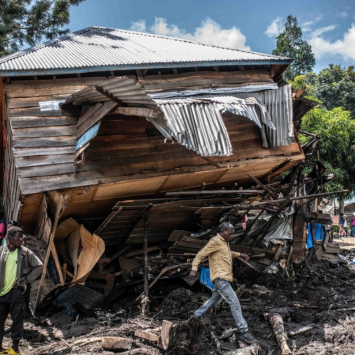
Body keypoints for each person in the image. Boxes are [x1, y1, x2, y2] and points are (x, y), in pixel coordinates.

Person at [189, 222, 256, 344]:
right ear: (223, 231)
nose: (231, 236)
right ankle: (244, 331)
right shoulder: (215, 241)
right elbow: (200, 254)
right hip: (220, 278)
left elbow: (227, 254)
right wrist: (194, 269)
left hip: (223, 278)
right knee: (234, 302)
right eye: (230, 234)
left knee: (213, 301)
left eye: (232, 234)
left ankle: (195, 316)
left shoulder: (224, 243)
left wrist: (239, 254)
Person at [0, 227, 43, 354]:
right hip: (1, 293)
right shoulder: (1, 251)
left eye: (21, 236)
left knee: (17, 319)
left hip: (16, 292)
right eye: (18, 237)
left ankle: (15, 347)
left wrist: (24, 281)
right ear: (9, 238)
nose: (21, 239)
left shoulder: (25, 252)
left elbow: (39, 266)